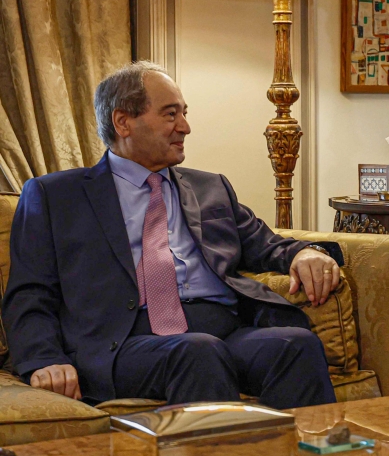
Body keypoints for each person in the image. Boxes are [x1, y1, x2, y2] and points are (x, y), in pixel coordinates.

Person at [2, 61, 341, 410]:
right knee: (197, 351)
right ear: (123, 122)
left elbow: (264, 243)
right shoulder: (56, 196)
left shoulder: (210, 187)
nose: (185, 127)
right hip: (123, 343)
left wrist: (306, 253)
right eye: (170, 115)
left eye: (184, 113)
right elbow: (30, 291)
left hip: (223, 330)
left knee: (295, 344)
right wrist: (43, 359)